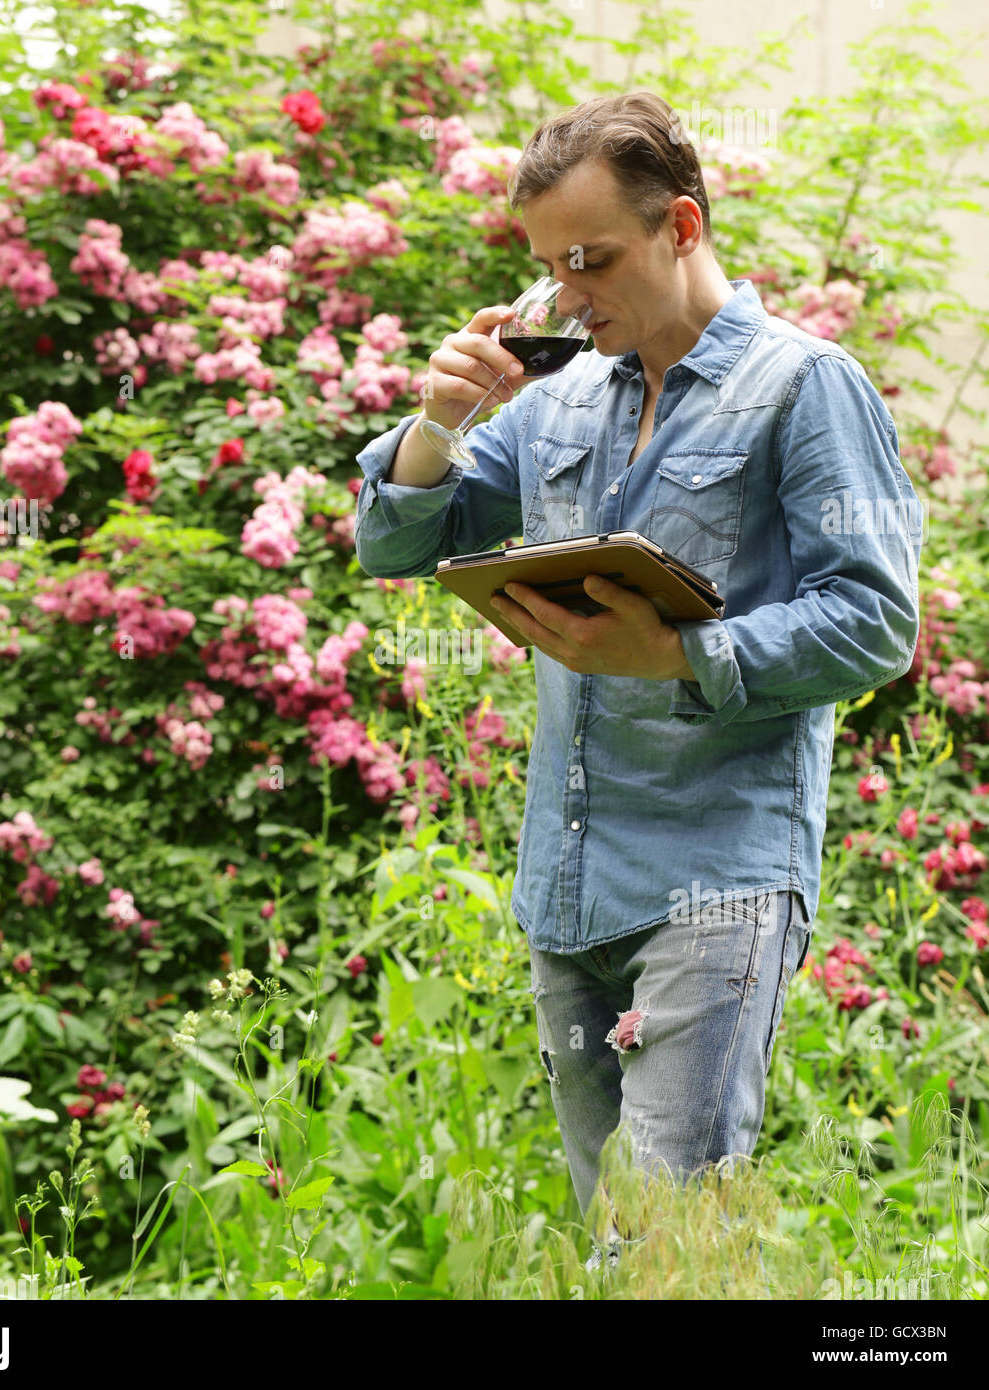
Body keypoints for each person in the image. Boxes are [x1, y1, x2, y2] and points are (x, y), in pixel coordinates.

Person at [352, 91, 922, 1264]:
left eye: (592, 259)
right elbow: (395, 543)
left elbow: (874, 623)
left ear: (682, 225)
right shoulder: (557, 395)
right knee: (610, 1241)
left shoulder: (804, 386)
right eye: (547, 267)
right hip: (563, 885)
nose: (566, 295)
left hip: (716, 879)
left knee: (664, 1248)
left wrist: (675, 654)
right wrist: (434, 423)